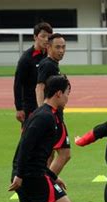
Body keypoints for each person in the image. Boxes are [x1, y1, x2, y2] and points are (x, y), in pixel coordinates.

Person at [0, 75, 91, 202]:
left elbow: (36, 153)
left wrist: (52, 175)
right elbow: (25, 147)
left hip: (32, 173)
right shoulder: (44, 117)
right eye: (67, 94)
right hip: (31, 176)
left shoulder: (50, 115)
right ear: (58, 93)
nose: (68, 98)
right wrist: (21, 175)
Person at [35, 33, 70, 176]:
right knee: (65, 153)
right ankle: (47, 184)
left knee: (49, 155)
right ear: (48, 47)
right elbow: (39, 87)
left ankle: (43, 184)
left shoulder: (53, 65)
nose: (61, 50)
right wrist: (43, 112)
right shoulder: (47, 64)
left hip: (53, 114)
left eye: (63, 47)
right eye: (57, 47)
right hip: (52, 116)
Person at [13, 22, 52, 125]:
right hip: (30, 107)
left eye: (48, 37)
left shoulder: (49, 56)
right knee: (28, 138)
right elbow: (18, 84)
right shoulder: (26, 59)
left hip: (46, 105)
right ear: (35, 37)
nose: (46, 39)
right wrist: (19, 108)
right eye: (43, 36)